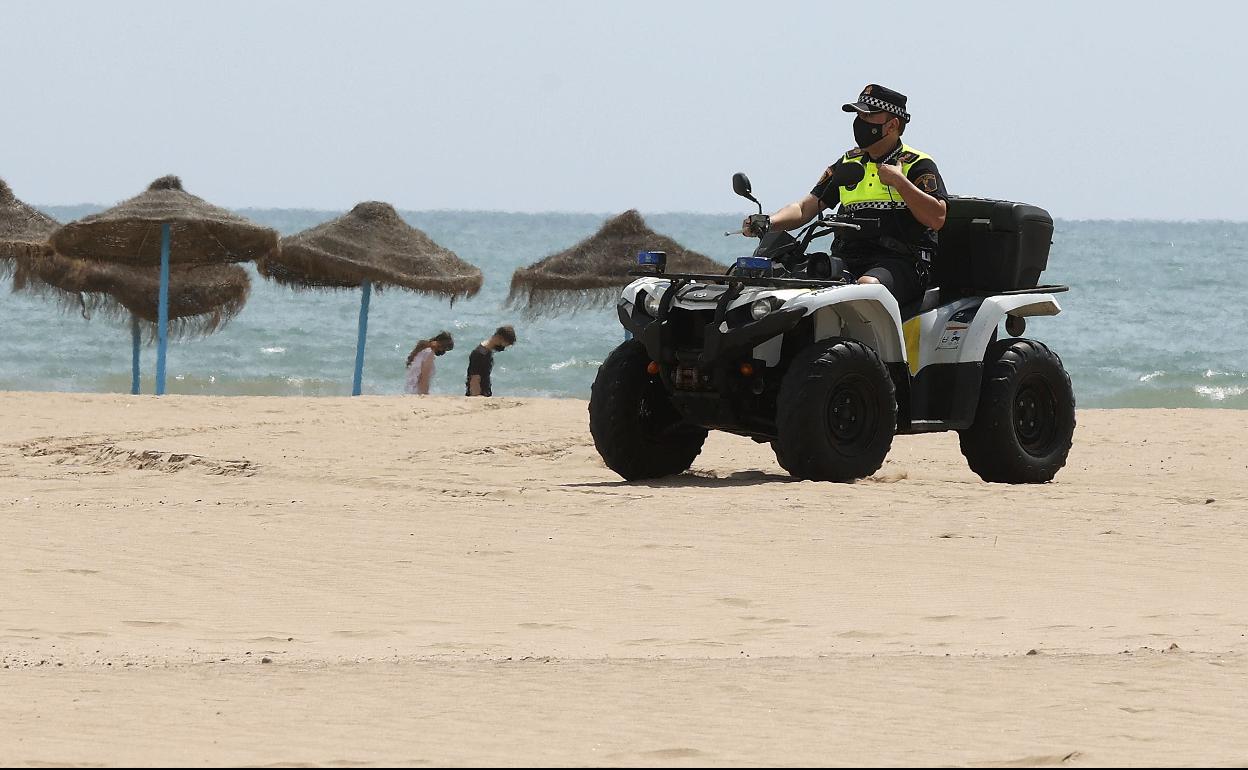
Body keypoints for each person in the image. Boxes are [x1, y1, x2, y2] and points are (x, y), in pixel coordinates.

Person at [742, 83, 948, 306]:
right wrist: (768, 222)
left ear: (892, 125)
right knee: (795, 284)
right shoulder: (849, 162)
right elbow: (807, 207)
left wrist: (899, 181)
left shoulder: (917, 164)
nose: (860, 122)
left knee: (866, 289)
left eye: (868, 116)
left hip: (900, 263)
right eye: (858, 115)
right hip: (848, 258)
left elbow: (937, 217)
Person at [465, 325, 517, 397]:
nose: (503, 348)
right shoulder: (479, 354)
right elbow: (474, 379)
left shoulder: (487, 352)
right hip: (479, 395)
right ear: (499, 338)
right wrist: (477, 399)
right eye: (504, 345)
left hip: (484, 393)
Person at [404, 331, 454, 395]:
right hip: (416, 392)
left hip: (409, 390)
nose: (443, 353)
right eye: (445, 349)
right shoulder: (429, 353)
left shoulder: (423, 349)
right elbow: (424, 377)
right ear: (441, 347)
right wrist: (425, 394)